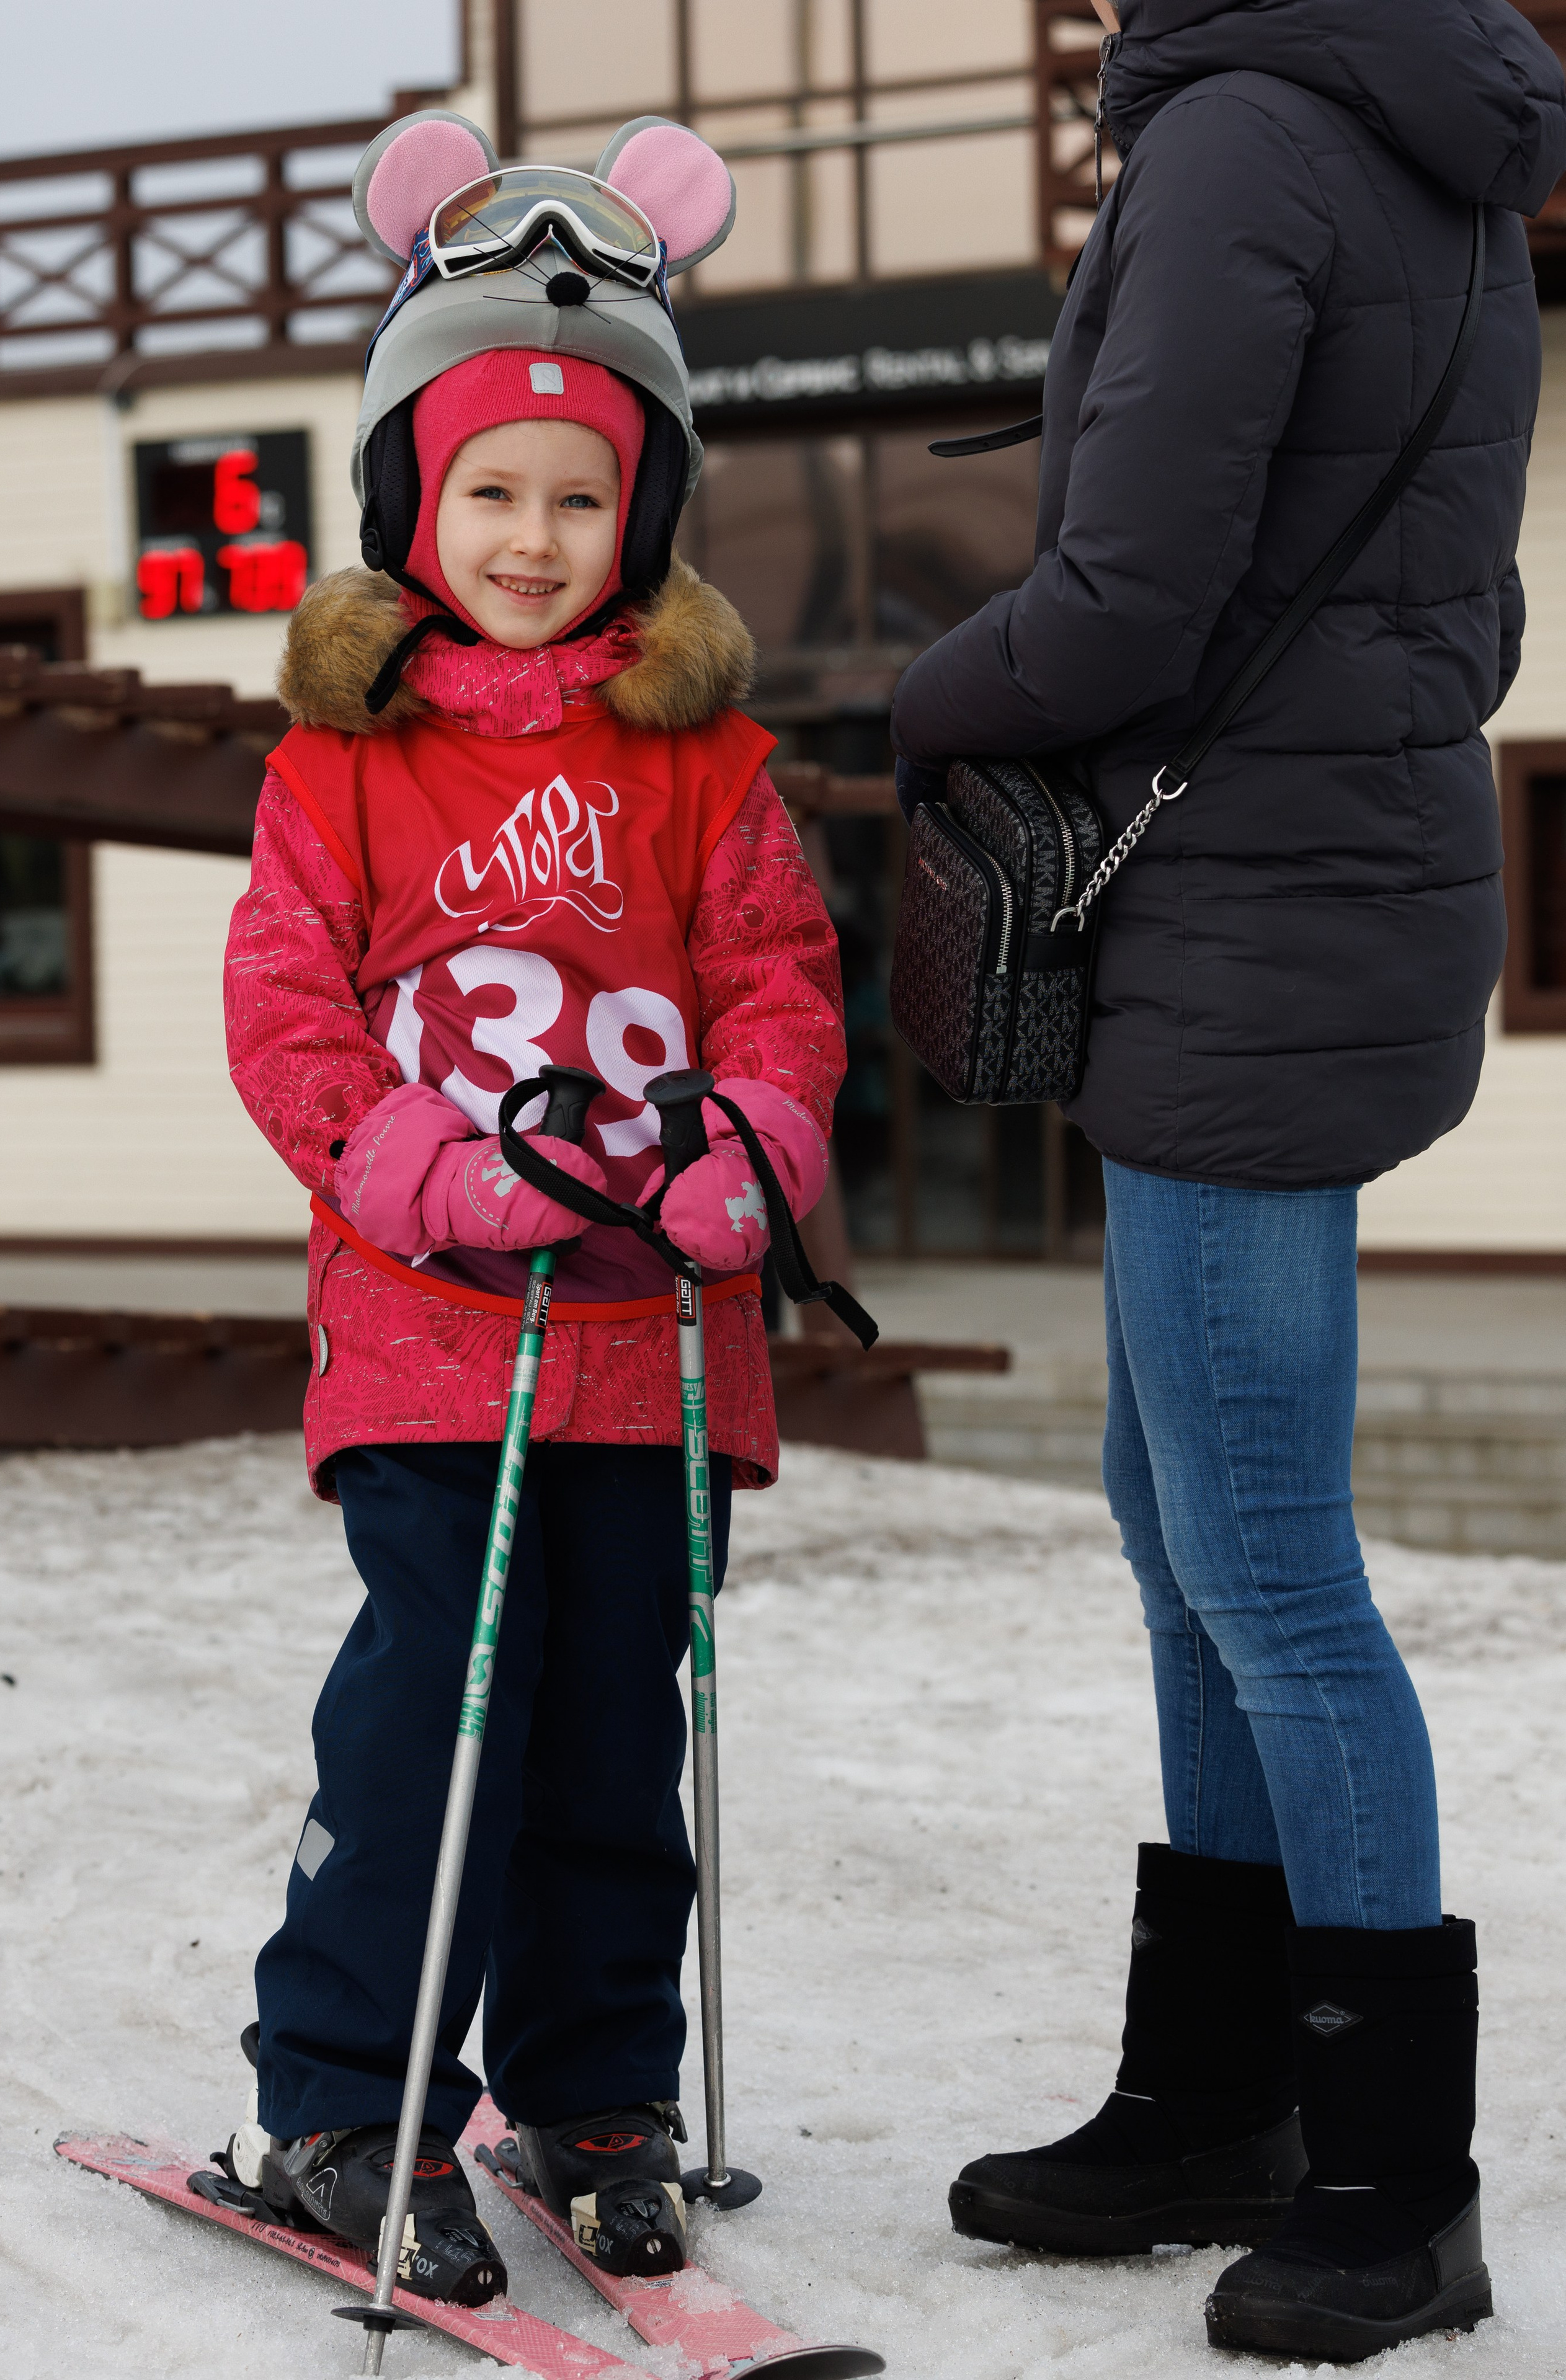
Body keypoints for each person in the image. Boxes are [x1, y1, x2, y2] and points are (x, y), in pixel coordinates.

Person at [891, 0, 1566, 2361]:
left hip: (1253, 935)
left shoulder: (1249, 136)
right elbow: (1466, 604)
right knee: (1182, 1513)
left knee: (1262, 1556)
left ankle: (1389, 2181)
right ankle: (1217, 2100)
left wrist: (910, 692)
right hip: (1336, 892)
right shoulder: (1436, 129)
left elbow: (1127, 601)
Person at [214, 109, 842, 2304]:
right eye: (490, 488)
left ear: (647, 514)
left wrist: (754, 1142)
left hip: (651, 1337)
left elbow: (781, 983)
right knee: (430, 1731)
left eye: (584, 497)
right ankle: (342, 2092)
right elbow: (291, 1017)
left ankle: (596, 2095)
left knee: (607, 1738)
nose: (535, 532)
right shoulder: (347, 763)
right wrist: (425, 1163)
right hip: (431, 1324)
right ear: (412, 496)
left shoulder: (710, 766)